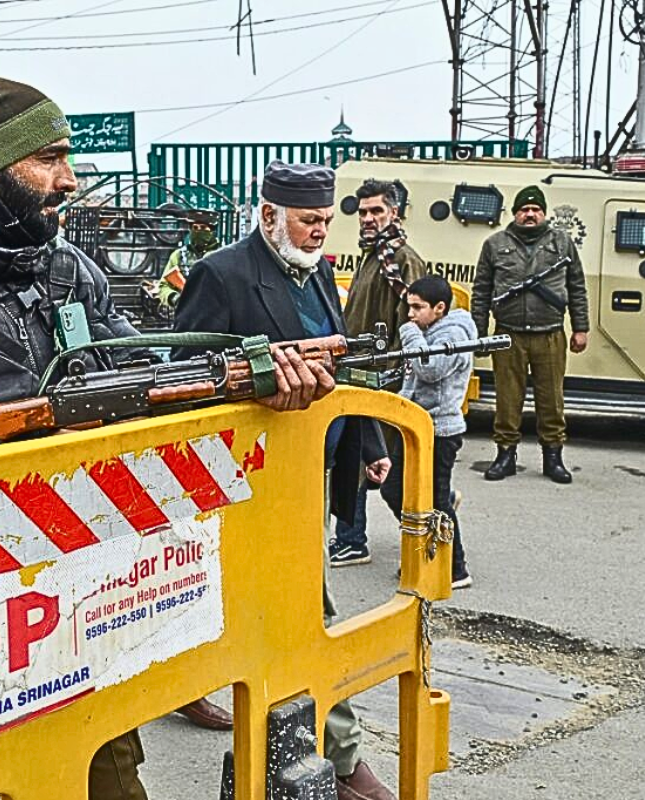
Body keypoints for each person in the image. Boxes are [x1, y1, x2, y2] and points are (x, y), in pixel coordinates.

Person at [0, 77, 332, 800]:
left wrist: (249, 383)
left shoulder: (68, 272)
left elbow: (144, 384)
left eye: (66, 157)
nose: (69, 179)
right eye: (47, 159)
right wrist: (31, 468)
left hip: (82, 615)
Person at [173, 160, 396, 800]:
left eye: (327, 220)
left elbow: (340, 361)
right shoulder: (223, 273)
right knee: (306, 615)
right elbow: (184, 378)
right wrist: (256, 379)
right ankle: (343, 759)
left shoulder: (321, 272)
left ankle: (310, 753)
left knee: (289, 616)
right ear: (268, 215)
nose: (320, 231)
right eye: (308, 220)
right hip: (248, 482)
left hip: (309, 473)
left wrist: (368, 443)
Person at [330, 178, 428, 569]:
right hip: (356, 375)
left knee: (386, 471)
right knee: (353, 460)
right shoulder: (374, 255)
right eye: (363, 212)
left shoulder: (403, 260)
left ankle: (430, 543)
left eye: (377, 211)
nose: (368, 219)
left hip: (383, 380)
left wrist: (398, 379)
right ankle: (352, 538)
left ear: (395, 213)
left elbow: (414, 325)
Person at [471, 185, 589, 484]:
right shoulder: (495, 244)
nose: (530, 214)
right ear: (515, 214)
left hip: (550, 334)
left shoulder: (562, 243)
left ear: (544, 213)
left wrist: (581, 328)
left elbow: (576, 286)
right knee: (507, 400)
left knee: (551, 400)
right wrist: (480, 333)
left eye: (535, 209)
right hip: (508, 334)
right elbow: (482, 290)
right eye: (524, 209)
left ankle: (553, 458)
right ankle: (505, 456)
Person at [378, 276, 475, 589]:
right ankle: (425, 540)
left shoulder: (455, 334)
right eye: (409, 307)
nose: (410, 314)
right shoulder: (426, 329)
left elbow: (429, 368)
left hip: (440, 431)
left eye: (417, 308)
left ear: (440, 308)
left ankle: (453, 569)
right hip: (415, 426)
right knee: (393, 489)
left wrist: (408, 334)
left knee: (435, 500)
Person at [156, 208, 221, 310]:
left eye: (203, 228)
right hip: (186, 315)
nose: (198, 231)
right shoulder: (178, 256)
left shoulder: (224, 255)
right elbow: (163, 286)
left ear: (212, 231)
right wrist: (175, 298)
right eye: (195, 228)